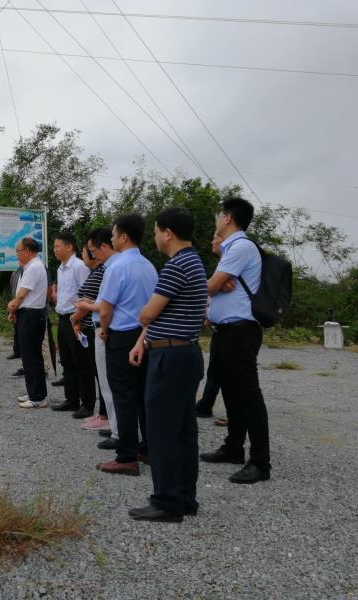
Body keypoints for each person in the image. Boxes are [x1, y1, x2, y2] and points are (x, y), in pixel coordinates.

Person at [126, 207, 208, 522]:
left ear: (168, 233)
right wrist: (143, 340)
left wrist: (144, 317)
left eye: (157, 231)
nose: (156, 237)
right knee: (183, 430)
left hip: (170, 358)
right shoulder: (194, 261)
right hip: (185, 353)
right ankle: (185, 497)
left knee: (161, 431)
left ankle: (166, 501)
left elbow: (148, 313)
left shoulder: (176, 266)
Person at [200, 197, 271, 484]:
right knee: (230, 392)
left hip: (241, 332)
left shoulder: (241, 246)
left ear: (227, 218)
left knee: (248, 395)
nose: (218, 220)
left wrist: (215, 284)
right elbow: (218, 285)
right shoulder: (231, 250)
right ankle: (233, 448)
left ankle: (260, 463)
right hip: (226, 331)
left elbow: (211, 286)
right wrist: (218, 283)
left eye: (220, 215)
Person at [95, 214, 158, 477]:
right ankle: (147, 448)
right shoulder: (149, 266)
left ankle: (126, 456)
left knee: (123, 396)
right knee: (142, 395)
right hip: (144, 336)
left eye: (113, 234)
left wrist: (104, 329)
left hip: (121, 337)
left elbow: (105, 309)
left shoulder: (117, 266)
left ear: (123, 236)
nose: (111, 238)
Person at [71, 230, 110, 432]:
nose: (85, 255)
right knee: (91, 371)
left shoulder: (103, 271)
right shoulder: (97, 272)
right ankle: (102, 413)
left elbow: (93, 303)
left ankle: (105, 415)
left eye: (87, 251)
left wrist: (74, 318)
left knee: (99, 374)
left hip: (94, 328)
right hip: (86, 326)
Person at [52, 232, 92, 417]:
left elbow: (87, 294)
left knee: (81, 363)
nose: (55, 250)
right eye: (54, 246)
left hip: (76, 319)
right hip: (62, 318)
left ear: (69, 247)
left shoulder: (79, 266)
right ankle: (72, 399)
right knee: (66, 361)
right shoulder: (61, 268)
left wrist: (79, 320)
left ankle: (87, 403)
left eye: (57, 246)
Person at [8, 237, 49, 408]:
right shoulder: (30, 267)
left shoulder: (34, 267)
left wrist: (12, 307)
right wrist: (15, 310)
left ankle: (38, 397)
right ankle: (34, 391)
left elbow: (21, 295)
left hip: (31, 315)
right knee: (29, 356)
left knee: (32, 357)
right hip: (27, 314)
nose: (17, 254)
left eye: (18, 251)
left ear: (27, 251)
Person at [196, 234, 224, 420]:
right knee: (216, 369)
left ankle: (238, 414)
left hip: (233, 328)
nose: (212, 241)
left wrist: (215, 285)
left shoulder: (233, 260)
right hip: (219, 327)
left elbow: (209, 288)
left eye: (216, 237)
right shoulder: (223, 264)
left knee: (229, 372)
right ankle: (205, 404)